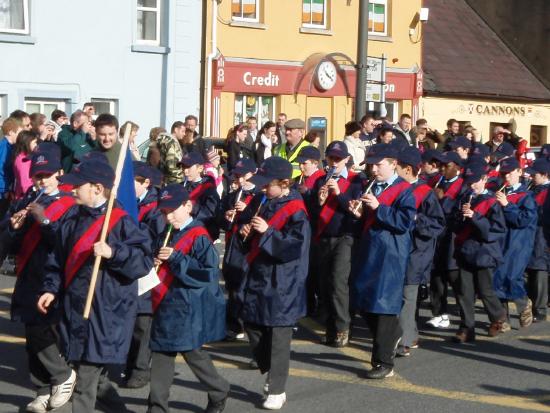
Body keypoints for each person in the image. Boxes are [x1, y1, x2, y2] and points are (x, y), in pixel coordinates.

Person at [37, 156, 153, 413]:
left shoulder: (121, 221)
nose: (72, 188)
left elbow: (143, 263)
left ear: (97, 188)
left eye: (79, 184)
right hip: (75, 310)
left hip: (106, 313)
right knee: (93, 378)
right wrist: (50, 288)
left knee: (85, 382)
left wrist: (114, 253)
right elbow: (57, 259)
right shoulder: (72, 218)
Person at [229, 157, 310, 410]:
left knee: (278, 334)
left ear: (284, 183)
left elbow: (294, 247)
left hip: (283, 278)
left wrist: (267, 232)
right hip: (257, 273)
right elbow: (247, 228)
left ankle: (277, 388)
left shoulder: (297, 209)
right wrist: (245, 233)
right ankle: (270, 370)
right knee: (253, 325)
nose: (262, 189)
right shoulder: (261, 200)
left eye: (268, 185)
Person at [147, 184, 229, 413]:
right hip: (165, 302)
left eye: (173, 210)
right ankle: (157, 407)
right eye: (164, 212)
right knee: (161, 354)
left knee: (193, 353)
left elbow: (207, 273)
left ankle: (218, 388)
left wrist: (176, 259)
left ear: (188, 206)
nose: (168, 216)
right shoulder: (168, 232)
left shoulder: (200, 236)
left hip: (187, 305)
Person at [8, 148, 76, 412]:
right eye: (38, 176)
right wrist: (14, 227)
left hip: (53, 273)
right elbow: (11, 245)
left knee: (45, 330)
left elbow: (65, 242)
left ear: (59, 173)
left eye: (47, 175)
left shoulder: (70, 203)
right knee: (30, 330)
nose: (43, 181)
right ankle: (42, 388)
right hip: (28, 272)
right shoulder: (27, 199)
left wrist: (45, 220)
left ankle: (61, 375)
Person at [349, 143, 416, 379]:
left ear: (393, 164)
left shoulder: (404, 190)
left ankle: (383, 362)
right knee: (364, 302)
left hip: (390, 254)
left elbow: (404, 222)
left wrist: (379, 208)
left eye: (379, 164)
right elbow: (367, 222)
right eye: (371, 165)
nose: (373, 169)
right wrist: (359, 215)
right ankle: (394, 334)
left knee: (384, 306)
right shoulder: (371, 186)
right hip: (368, 252)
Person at [310, 141, 362, 347]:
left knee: (339, 283)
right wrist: (319, 201)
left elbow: (353, 208)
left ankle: (343, 327)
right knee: (325, 284)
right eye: (331, 158)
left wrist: (339, 193)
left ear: (347, 160)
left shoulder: (357, 180)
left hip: (345, 236)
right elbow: (313, 212)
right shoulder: (321, 180)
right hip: (324, 235)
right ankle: (331, 327)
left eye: (338, 159)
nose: (334, 162)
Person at [395, 146, 445, 357]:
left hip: (417, 251)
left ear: (407, 169)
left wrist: (417, 220)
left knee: (408, 296)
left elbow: (437, 224)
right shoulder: (395, 189)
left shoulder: (425, 193)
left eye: (396, 166)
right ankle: (411, 334)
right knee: (401, 296)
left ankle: (403, 341)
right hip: (398, 249)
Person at [451, 163, 508, 342]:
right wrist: (460, 217)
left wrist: (475, 217)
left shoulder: (492, 202)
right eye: (469, 182)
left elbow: (495, 231)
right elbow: (456, 225)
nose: (472, 186)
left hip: (484, 252)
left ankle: (498, 316)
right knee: (464, 291)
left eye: (476, 181)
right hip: (465, 250)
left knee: (485, 291)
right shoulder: (464, 198)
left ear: (484, 179)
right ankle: (467, 327)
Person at [124, 161, 166, 389]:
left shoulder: (155, 209)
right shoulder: (127, 203)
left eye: (132, 183)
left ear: (146, 183)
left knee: (142, 322)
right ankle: (130, 365)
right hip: (127, 265)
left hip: (146, 269)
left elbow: (153, 239)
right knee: (129, 321)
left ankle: (140, 370)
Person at [492, 157, 537, 329]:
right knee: (497, 278)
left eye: (510, 173)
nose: (507, 177)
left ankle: (523, 304)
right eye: (504, 174)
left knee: (512, 277)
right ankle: (504, 319)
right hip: (501, 241)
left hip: (519, 243)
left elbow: (523, 220)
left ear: (519, 172)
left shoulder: (526, 196)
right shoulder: (502, 191)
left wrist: (507, 205)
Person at [427, 151, 468, 329]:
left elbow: (456, 209)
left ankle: (466, 316)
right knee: (436, 275)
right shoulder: (438, 181)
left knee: (455, 277)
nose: (443, 169)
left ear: (457, 167)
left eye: (448, 166)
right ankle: (440, 313)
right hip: (437, 235)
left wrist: (441, 200)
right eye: (442, 165)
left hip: (452, 236)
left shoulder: (463, 186)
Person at [219, 158, 258, 340]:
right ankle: (234, 324)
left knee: (245, 284)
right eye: (237, 176)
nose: (240, 180)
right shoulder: (233, 194)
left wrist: (247, 210)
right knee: (232, 282)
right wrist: (227, 216)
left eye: (244, 176)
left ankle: (245, 323)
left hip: (249, 245)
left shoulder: (259, 195)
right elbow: (222, 218)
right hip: (233, 242)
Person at [93, 114, 139, 221]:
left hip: (118, 212)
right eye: (102, 134)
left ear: (117, 132)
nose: (107, 138)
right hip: (97, 211)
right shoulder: (92, 155)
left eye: (110, 134)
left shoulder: (125, 157)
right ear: (96, 133)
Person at [525, 158, 550, 322]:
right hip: (529, 234)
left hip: (543, 234)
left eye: (535, 175)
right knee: (529, 270)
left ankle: (540, 309)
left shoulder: (547, 192)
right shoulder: (532, 189)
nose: (531, 177)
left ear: (545, 175)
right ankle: (532, 304)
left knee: (539, 270)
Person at [179, 151, 221, 240]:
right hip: (181, 232)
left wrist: (192, 207)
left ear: (200, 168)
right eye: (183, 167)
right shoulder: (180, 187)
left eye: (188, 167)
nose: (185, 171)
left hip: (200, 234)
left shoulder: (208, 189)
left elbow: (210, 214)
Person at [0, 118, 22, 216]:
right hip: (2, 190)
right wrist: (4, 189)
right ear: (10, 132)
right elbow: (1, 169)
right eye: (18, 133)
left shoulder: (10, 146)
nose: (20, 136)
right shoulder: (4, 147)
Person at [13, 130, 39, 200]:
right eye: (34, 142)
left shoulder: (25, 156)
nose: (36, 145)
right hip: (25, 197)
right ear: (27, 143)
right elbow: (25, 185)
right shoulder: (23, 161)